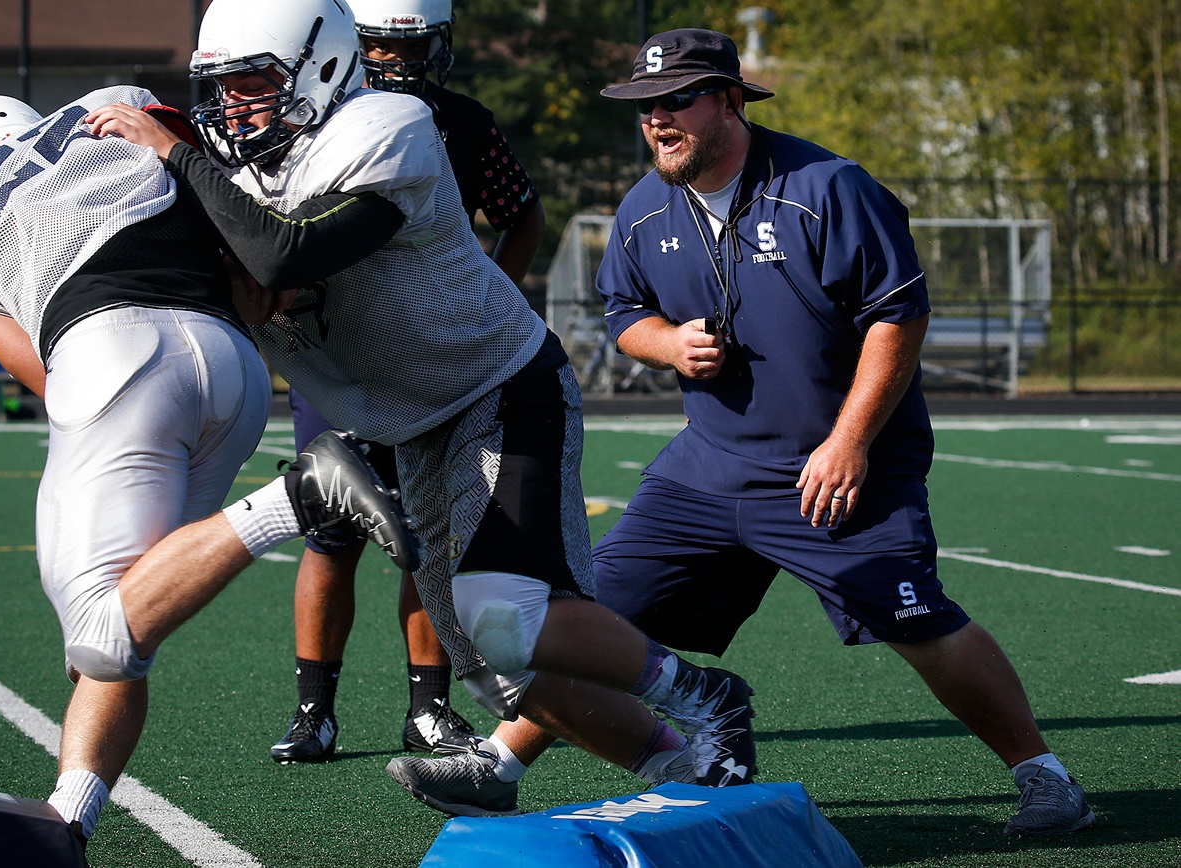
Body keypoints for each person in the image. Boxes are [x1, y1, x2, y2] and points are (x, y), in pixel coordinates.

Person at [385, 27, 1097, 838]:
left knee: (916, 619)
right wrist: (668, 344)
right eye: (646, 105)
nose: (657, 118)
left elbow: (899, 315)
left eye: (677, 99)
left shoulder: (829, 186)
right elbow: (624, 316)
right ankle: (502, 764)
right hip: (710, 467)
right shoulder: (644, 205)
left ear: (730, 99)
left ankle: (1046, 778)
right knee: (577, 617)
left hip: (833, 469)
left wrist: (849, 441)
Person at [85, 0, 759, 816]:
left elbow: (284, 251)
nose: (235, 108)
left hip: (498, 386)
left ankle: (701, 694)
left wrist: (177, 160)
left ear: (324, 67)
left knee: (502, 612)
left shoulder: (386, 123)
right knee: (491, 667)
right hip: (409, 420)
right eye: (222, 90)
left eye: (254, 83)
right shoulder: (243, 174)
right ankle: (682, 769)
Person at [0, 88, 414, 847]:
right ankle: (69, 825)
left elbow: (44, 375)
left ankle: (305, 492)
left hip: (116, 359)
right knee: (125, 633)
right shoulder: (108, 115)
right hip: (234, 365)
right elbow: (229, 218)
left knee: (99, 631)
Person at [267, 0, 548, 765]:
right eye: (384, 46)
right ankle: (311, 711)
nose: (401, 61)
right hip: (340, 363)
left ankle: (429, 710)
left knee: (428, 541)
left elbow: (523, 214)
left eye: (417, 45)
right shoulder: (316, 124)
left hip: (432, 365)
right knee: (332, 536)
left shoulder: (462, 120)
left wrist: (481, 299)